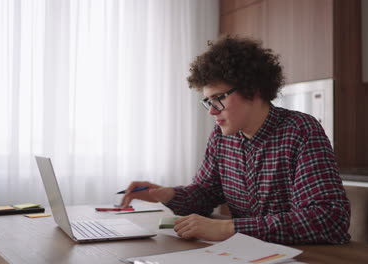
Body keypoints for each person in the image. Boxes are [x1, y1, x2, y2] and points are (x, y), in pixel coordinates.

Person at [121, 36, 350, 244]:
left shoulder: (300, 130)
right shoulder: (222, 138)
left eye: (218, 98)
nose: (212, 111)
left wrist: (229, 228)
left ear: (254, 90)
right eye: (208, 101)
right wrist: (166, 194)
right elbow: (205, 193)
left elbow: (328, 218)